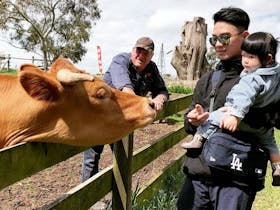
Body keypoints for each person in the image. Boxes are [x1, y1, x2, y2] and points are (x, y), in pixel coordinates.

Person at [177, 7, 279, 210]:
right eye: (213, 39)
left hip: (236, 180)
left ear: (245, 36)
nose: (218, 45)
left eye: (224, 37)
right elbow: (188, 125)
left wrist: (249, 116)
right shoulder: (207, 79)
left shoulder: (265, 80)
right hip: (198, 175)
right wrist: (193, 119)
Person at [81, 37, 169, 182]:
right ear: (133, 50)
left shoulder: (152, 68)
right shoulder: (120, 61)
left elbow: (162, 90)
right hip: (99, 118)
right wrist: (142, 105)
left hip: (122, 122)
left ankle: (121, 199)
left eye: (145, 53)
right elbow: (126, 90)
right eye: (138, 51)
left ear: (152, 55)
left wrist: (159, 99)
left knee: (123, 159)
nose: (140, 56)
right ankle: (88, 200)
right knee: (92, 159)